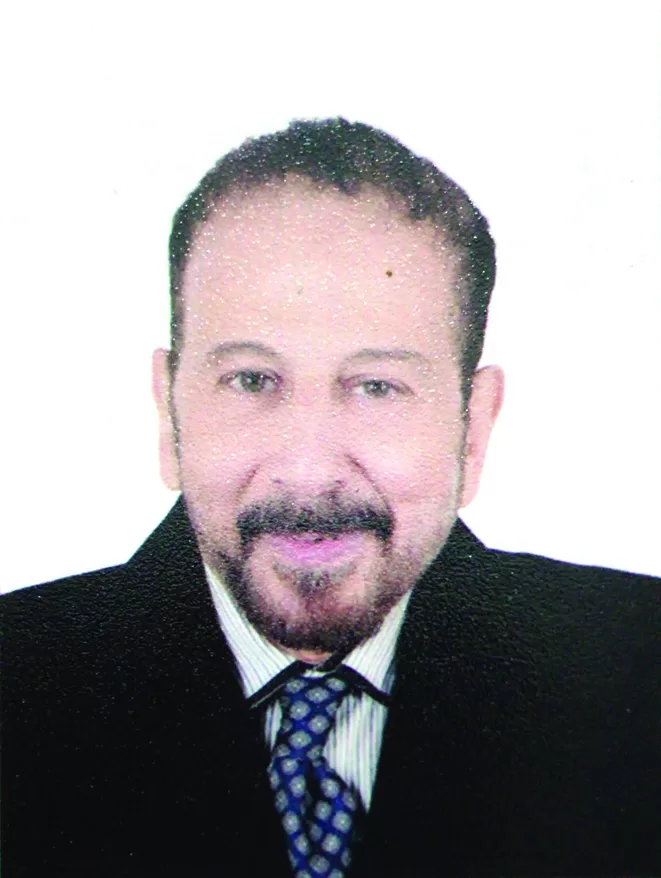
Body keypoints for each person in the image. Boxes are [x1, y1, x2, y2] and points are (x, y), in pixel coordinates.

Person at [2, 118, 659, 878]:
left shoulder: (636, 679)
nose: (309, 471)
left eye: (377, 387)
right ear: (169, 412)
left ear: (472, 429)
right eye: (251, 380)